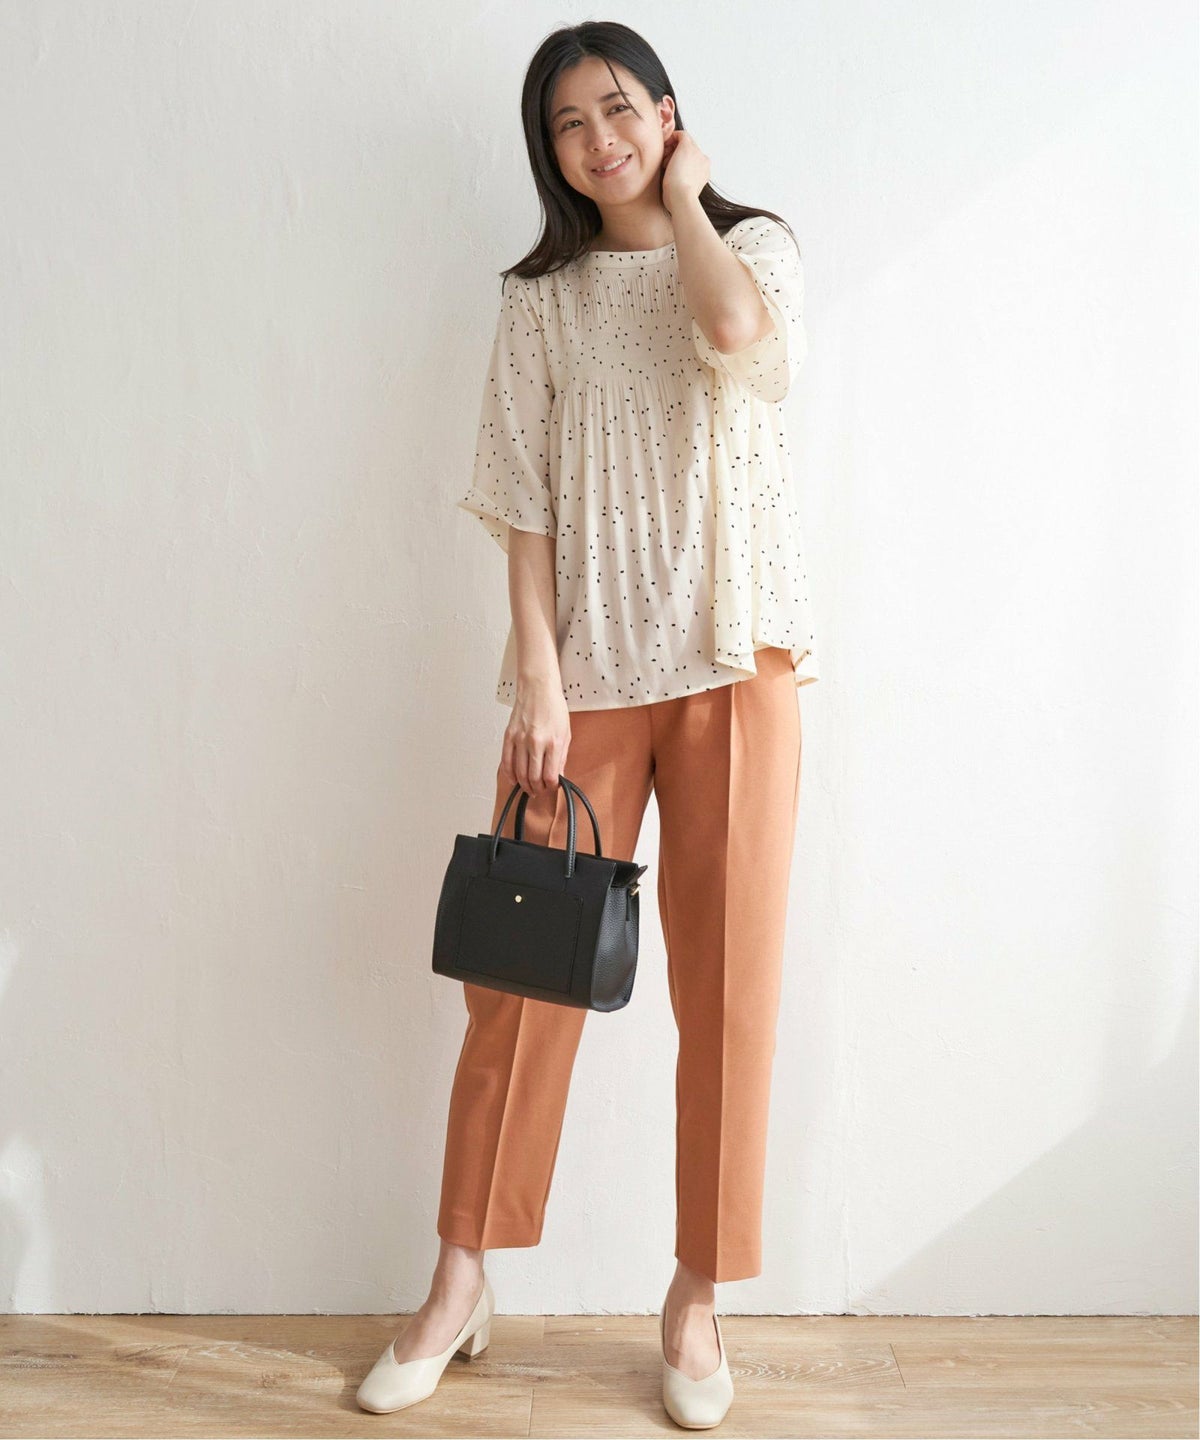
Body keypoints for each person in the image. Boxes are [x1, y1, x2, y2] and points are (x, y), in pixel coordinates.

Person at [357, 19, 819, 1428]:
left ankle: (697, 1299)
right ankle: (459, 1280)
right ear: (546, 151)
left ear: (669, 113)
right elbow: (523, 500)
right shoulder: (540, 301)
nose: (597, 138)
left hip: (738, 664)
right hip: (589, 680)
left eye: (619, 108)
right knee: (518, 988)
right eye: (567, 124)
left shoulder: (755, 253)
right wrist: (541, 681)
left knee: (729, 990)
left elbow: (737, 339)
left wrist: (685, 197)